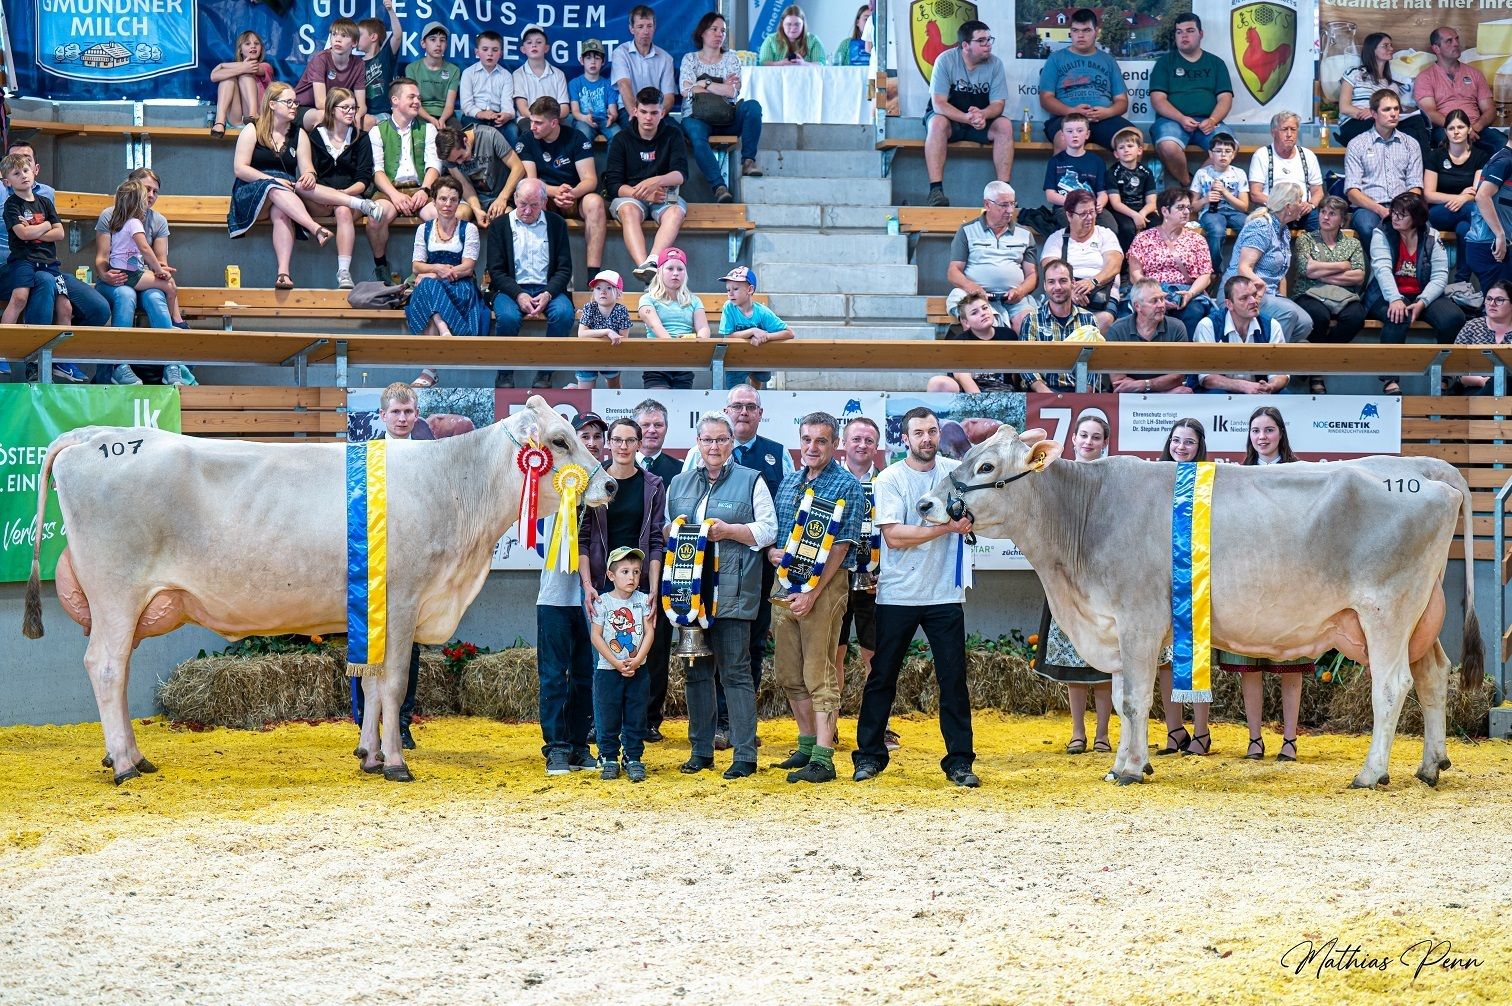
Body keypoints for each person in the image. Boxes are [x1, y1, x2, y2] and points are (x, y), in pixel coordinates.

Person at [852, 407, 979, 788]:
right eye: (919, 432)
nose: (927, 438)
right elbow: (894, 537)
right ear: (904, 439)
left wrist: (968, 522)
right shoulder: (891, 478)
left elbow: (975, 512)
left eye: (933, 431)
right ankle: (870, 756)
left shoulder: (954, 473)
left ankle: (960, 762)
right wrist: (948, 529)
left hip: (945, 594)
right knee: (882, 678)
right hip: (898, 595)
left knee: (953, 680)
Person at [665, 412, 778, 779]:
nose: (714, 446)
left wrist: (731, 531)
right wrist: (673, 530)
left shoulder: (752, 481)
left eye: (721, 440)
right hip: (688, 596)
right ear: (697, 444)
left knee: (736, 674)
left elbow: (768, 530)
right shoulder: (678, 483)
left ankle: (744, 754)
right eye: (707, 440)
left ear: (732, 444)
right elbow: (665, 529)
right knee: (695, 673)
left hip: (732, 593)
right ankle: (700, 751)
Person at [682, 385, 794, 747]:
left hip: (752, 570)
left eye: (750, 406)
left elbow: (784, 512)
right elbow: (677, 514)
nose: (743, 411)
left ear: (759, 414)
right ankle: (711, 730)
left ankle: (738, 726)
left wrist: (740, 534)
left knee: (749, 648)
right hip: (695, 579)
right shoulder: (689, 465)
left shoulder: (776, 457)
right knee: (701, 657)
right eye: (737, 406)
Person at [768, 412, 865, 784]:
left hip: (825, 588)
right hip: (784, 585)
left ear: (834, 444)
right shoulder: (789, 482)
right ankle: (807, 745)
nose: (812, 447)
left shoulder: (846, 485)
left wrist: (813, 591)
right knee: (789, 673)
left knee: (819, 671)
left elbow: (840, 548)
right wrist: (772, 554)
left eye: (821, 441)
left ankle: (824, 757)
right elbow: (778, 537)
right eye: (807, 439)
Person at [1224, 406, 1310, 763]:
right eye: (1256, 430)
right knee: (1249, 664)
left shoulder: (1299, 473)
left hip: (1288, 577)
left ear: (1280, 433)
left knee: (1291, 662)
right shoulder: (1236, 475)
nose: (1262, 436)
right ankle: (1255, 739)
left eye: (1269, 430)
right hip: (1247, 580)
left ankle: (1290, 740)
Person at [349, 381, 428, 750]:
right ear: (382, 416)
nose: (402, 418)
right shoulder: (365, 455)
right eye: (395, 412)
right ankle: (365, 722)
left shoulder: (428, 459)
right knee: (364, 639)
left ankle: (401, 722)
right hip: (369, 559)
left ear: (416, 414)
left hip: (408, 567)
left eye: (408, 411)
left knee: (405, 648)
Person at [1033, 413, 1114, 755]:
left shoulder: (1111, 479)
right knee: (1074, 659)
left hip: (1104, 580)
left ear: (1105, 443)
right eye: (1084, 435)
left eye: (1096, 437)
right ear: (1074, 438)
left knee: (1107, 660)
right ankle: (1078, 731)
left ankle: (1104, 733)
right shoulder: (1056, 472)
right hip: (1066, 577)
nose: (1089, 442)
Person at [536, 413, 606, 776]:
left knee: (584, 673)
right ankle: (556, 748)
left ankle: (580, 745)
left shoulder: (602, 485)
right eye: (585, 436)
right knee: (553, 674)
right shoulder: (551, 479)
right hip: (554, 595)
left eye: (597, 436)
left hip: (591, 595)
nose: (592, 442)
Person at [227, 83, 334, 292]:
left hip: (286, 194)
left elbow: (307, 168)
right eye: (289, 102)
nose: (294, 106)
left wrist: (310, 176)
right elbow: (240, 169)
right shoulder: (253, 129)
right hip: (251, 189)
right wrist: (271, 180)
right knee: (274, 188)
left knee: (281, 212)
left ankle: (283, 273)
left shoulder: (299, 133)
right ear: (273, 104)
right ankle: (315, 228)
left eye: (296, 102)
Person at [832, 416, 894, 749]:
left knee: (875, 657)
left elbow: (893, 532)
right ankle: (831, 724)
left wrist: (887, 574)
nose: (862, 445)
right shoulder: (831, 481)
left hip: (875, 583)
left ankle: (877, 726)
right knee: (834, 655)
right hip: (835, 580)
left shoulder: (887, 481)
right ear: (844, 443)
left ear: (876, 446)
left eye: (869, 441)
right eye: (856, 439)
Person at [1366, 190, 1465, 395]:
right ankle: (1390, 380)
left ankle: (1445, 376)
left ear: (1417, 218)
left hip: (1422, 293)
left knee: (1453, 318)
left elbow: (1440, 276)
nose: (1395, 217)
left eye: (1402, 214)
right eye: (1393, 212)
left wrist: (1422, 302)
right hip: (1386, 294)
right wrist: (1395, 299)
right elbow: (1382, 269)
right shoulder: (1381, 232)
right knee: (1397, 316)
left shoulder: (1431, 236)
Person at [1154, 417, 1212, 756]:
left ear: (1199, 446)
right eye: (1177, 440)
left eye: (1189, 442)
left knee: (1196, 652)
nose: (1181, 447)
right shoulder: (1155, 479)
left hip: (1197, 576)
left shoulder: (1208, 480)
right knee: (1165, 661)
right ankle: (1175, 731)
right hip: (1160, 579)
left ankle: (1202, 733)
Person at [92, 167, 178, 385]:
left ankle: (171, 363)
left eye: (155, 191)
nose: (151, 195)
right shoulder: (110, 216)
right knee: (125, 294)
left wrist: (160, 272)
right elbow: (102, 258)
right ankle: (119, 364)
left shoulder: (158, 221)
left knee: (155, 297)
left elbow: (161, 263)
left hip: (142, 275)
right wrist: (105, 275)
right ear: (134, 188)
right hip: (116, 279)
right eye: (147, 189)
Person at [486, 177, 574, 390]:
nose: (527, 210)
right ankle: (504, 375)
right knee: (507, 317)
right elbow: (496, 271)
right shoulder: (499, 226)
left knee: (563, 314)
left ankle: (545, 373)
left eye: (534, 205)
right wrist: (518, 294)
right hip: (511, 288)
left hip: (548, 288)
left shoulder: (556, 224)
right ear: (515, 198)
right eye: (523, 203)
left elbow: (564, 268)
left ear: (544, 203)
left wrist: (548, 294)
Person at [404, 176, 490, 388]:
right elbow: (416, 266)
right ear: (434, 201)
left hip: (459, 287)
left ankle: (429, 371)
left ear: (459, 202)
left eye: (453, 200)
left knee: (427, 285)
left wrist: (438, 272)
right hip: (433, 286)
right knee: (427, 286)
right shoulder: (424, 230)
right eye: (443, 199)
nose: (447, 204)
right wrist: (435, 270)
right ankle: (443, 330)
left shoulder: (468, 229)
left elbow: (468, 267)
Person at [299, 87, 386, 289]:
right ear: (331, 110)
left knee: (343, 209)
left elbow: (364, 179)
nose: (350, 112)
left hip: (350, 195)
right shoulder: (314, 137)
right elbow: (309, 174)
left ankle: (344, 272)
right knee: (300, 187)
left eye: (353, 108)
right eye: (345, 107)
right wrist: (327, 194)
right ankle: (361, 204)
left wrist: (343, 195)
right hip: (319, 198)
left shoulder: (361, 137)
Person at [632, 399, 682, 742]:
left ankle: (651, 718)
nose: (652, 430)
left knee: (658, 645)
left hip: (664, 572)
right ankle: (613, 715)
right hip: (619, 572)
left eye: (658, 425)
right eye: (645, 425)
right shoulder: (613, 468)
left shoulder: (680, 471)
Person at [581, 417, 666, 618]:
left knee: (639, 650)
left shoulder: (653, 486)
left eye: (630, 440)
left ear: (639, 444)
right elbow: (582, 540)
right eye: (617, 440)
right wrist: (586, 586)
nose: (623, 446)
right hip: (600, 585)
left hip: (640, 585)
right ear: (609, 443)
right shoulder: (592, 483)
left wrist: (653, 589)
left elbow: (656, 542)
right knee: (602, 649)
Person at [514, 96, 608, 276]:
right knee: (531, 199)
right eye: (531, 121)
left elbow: (590, 180)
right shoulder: (526, 140)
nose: (532, 126)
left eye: (538, 123)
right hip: (544, 198)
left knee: (595, 202)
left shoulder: (576, 137)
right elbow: (531, 181)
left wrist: (570, 193)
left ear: (554, 122)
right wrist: (554, 191)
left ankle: (593, 275)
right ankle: (541, 275)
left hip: (574, 195)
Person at [924, 19, 1012, 207]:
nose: (988, 44)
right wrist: (967, 117)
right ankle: (935, 191)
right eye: (981, 41)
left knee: (1004, 125)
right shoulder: (945, 60)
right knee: (936, 123)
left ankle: (1004, 195)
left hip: (980, 120)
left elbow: (998, 104)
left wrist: (983, 115)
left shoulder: (996, 64)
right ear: (965, 45)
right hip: (951, 121)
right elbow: (939, 104)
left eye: (989, 39)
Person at [605, 87, 688, 284]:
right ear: (635, 111)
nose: (648, 118)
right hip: (631, 195)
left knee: (676, 211)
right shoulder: (621, 139)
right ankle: (647, 271)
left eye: (653, 113)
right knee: (627, 211)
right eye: (643, 112)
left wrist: (656, 181)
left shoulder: (673, 135)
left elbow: (681, 174)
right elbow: (613, 184)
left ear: (663, 113)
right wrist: (641, 193)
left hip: (664, 193)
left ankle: (652, 262)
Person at [681, 12, 764, 202]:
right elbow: (686, 90)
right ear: (702, 32)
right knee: (695, 135)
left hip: (727, 115)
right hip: (697, 117)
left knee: (753, 107)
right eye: (714, 29)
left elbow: (732, 92)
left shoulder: (731, 58)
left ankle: (749, 161)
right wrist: (721, 86)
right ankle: (719, 187)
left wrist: (704, 84)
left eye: (723, 31)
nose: (720, 34)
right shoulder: (690, 59)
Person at [589, 547, 655, 782]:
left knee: (636, 714)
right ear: (611, 575)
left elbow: (649, 633)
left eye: (636, 572)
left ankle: (633, 756)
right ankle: (608, 757)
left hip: (638, 669)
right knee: (608, 714)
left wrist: (637, 660)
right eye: (625, 571)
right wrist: (615, 662)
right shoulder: (602, 603)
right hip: (608, 671)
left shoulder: (643, 601)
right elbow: (595, 636)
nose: (631, 577)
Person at [366, 77, 442, 282]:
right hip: (389, 190)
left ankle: (425, 268)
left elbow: (434, 165)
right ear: (395, 101)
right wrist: (395, 196)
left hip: (420, 188)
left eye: (418, 97)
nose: (417, 101)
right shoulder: (377, 131)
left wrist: (425, 190)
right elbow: (377, 171)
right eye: (412, 97)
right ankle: (381, 267)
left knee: (440, 214)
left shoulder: (428, 129)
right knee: (375, 216)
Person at [1292, 195, 1369, 394]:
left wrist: (1321, 273)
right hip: (1308, 294)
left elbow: (1359, 276)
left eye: (1332, 214)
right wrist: (1343, 266)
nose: (1325, 217)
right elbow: (1305, 270)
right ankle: (1317, 374)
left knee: (1357, 317)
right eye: (1323, 212)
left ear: (1342, 220)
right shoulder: (1305, 239)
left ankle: (1315, 361)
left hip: (1343, 296)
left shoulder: (1352, 244)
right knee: (1319, 316)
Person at [1148, 12, 1233, 187]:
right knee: (1168, 146)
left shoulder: (1216, 63)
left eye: (1189, 31)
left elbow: (1225, 98)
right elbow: (1158, 100)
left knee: (1228, 147)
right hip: (1172, 121)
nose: (1183, 36)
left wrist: (1213, 120)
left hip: (1208, 121)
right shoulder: (1165, 62)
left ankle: (1197, 186)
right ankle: (1189, 183)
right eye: (1179, 32)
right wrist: (1181, 118)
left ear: (1201, 34)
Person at [1222, 181, 1314, 341]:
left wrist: (1283, 299)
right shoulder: (1261, 226)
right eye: (1299, 200)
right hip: (1244, 291)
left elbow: (1280, 273)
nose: (1303, 205)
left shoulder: (1284, 231)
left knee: (1305, 323)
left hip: (1270, 293)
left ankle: (1269, 351)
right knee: (1288, 314)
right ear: (1288, 206)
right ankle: (1267, 361)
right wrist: (1260, 284)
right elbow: (1244, 268)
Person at [946, 181, 1037, 334]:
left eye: (1013, 204)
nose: (1010, 210)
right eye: (1004, 205)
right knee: (977, 318)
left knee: (1027, 324)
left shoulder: (1025, 234)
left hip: (1014, 298)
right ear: (987, 204)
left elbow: (1033, 275)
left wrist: (1021, 291)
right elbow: (953, 271)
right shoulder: (967, 231)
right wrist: (973, 288)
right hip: (976, 297)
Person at [1038, 8, 1133, 153]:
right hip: (1066, 118)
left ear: (1097, 31)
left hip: (1103, 119)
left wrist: (1108, 112)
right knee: (1065, 142)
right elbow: (1046, 99)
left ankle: (1123, 176)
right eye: (1075, 30)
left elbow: (1122, 101)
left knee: (1131, 141)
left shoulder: (1108, 60)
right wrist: (1072, 111)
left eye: (1086, 30)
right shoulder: (1056, 58)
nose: (1080, 36)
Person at [100, 180, 186, 335]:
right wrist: (159, 270)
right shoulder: (134, 223)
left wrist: (157, 269)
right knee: (170, 285)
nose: (150, 197)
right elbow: (145, 248)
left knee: (162, 287)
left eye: (155, 191)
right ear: (139, 203)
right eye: (146, 193)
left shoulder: (119, 222)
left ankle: (168, 325)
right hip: (130, 273)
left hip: (123, 270)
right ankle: (173, 322)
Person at [1344, 89, 1425, 250]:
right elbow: (1352, 192)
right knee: (1368, 226)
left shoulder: (1411, 144)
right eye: (1387, 110)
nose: (1393, 114)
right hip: (1369, 208)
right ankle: (1386, 270)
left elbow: (1415, 186)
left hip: (1404, 206)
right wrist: (1380, 210)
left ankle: (1398, 272)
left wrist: (1402, 209)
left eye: (1396, 109)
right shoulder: (1357, 144)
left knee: (1424, 226)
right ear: (1373, 113)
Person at [1126, 187, 1214, 334]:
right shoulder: (1144, 238)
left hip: (1185, 294)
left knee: (1194, 311)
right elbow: (1135, 275)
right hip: (1152, 292)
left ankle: (1185, 355)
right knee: (1146, 311)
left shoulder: (1197, 240)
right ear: (1165, 211)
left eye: (1188, 207)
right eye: (1180, 207)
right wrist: (1156, 296)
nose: (1186, 212)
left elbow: (1205, 275)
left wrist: (1190, 294)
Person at [1424, 109, 1487, 298]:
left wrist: (1465, 198)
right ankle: (1484, 274)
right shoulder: (1435, 156)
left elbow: (1477, 192)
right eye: (1451, 128)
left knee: (1464, 228)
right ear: (1445, 132)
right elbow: (1428, 195)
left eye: (1461, 127)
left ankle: (1461, 284)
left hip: (1465, 213)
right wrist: (1459, 197)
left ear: (1469, 129)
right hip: (1438, 213)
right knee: (1473, 211)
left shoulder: (1480, 156)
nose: (1456, 131)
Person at [1039, 190, 1122, 332]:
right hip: (1066, 292)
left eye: (1092, 212)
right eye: (1083, 214)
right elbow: (1050, 269)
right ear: (1069, 215)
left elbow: (1114, 265)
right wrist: (1071, 290)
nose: (1089, 217)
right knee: (1051, 320)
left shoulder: (1105, 234)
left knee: (1103, 320)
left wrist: (1092, 282)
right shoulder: (1056, 239)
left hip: (1101, 293)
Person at [1337, 33, 1432, 156]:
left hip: (1383, 123)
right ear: (1373, 50)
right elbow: (1344, 107)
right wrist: (1372, 113)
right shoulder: (1354, 73)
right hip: (1356, 123)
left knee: (1416, 123)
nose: (1391, 49)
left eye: (1391, 45)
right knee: (1385, 127)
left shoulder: (1391, 85)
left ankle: (1427, 169)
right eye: (1386, 46)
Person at [1192, 276, 1290, 393]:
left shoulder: (1272, 325)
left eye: (1254, 295)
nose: (1253, 301)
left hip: (1259, 391)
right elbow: (1207, 378)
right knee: (1215, 393)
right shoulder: (1209, 325)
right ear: (1229, 304)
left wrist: (1271, 386)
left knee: (1284, 393)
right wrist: (1244, 386)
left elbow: (1280, 373)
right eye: (1244, 298)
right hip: (1221, 393)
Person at [1415, 26, 1504, 152]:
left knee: (1506, 147)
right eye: (1449, 41)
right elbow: (1429, 113)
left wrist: (1475, 127)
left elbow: (1490, 109)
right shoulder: (1425, 77)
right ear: (1436, 48)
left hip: (1476, 129)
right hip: (1446, 129)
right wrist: (1460, 128)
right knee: (1453, 149)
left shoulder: (1474, 73)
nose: (1456, 44)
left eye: (1457, 39)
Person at [1, 152, 65, 327]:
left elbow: (60, 233)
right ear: (7, 182)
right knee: (19, 298)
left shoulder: (45, 202)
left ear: (33, 171)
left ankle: (55, 352)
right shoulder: (12, 205)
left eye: (25, 170)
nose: (23, 175)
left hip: (49, 260)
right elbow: (23, 234)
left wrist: (33, 229)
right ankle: (4, 343)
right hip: (24, 260)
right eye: (16, 173)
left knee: (65, 307)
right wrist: (46, 225)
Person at [1022, 258, 1102, 393]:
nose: (1057, 287)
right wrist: (1048, 395)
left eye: (1063, 281)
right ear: (1045, 286)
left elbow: (1096, 363)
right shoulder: (1032, 320)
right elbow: (1026, 363)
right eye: (1051, 282)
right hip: (1043, 393)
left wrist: (1082, 395)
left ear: (1073, 283)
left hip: (1080, 393)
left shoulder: (1088, 319)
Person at [1104, 279, 1193, 394]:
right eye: (1154, 301)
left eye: (1162, 299)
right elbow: (1118, 382)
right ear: (1137, 306)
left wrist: (1144, 385)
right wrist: (1155, 388)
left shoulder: (1177, 327)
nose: (1161, 305)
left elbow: (1177, 377)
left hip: (1163, 393)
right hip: (1132, 395)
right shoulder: (1117, 329)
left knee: (1183, 392)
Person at [638, 247, 708, 389]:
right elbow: (655, 326)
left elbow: (703, 328)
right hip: (657, 362)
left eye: (680, 269)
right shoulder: (647, 299)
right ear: (659, 271)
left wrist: (699, 340)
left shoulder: (694, 300)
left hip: (684, 362)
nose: (675, 273)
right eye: (670, 268)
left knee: (682, 408)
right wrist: (674, 346)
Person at [928, 291, 1019, 393]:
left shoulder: (1008, 335)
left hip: (1004, 391)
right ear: (966, 322)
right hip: (971, 394)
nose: (983, 313)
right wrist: (979, 401)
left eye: (985, 308)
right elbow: (960, 377)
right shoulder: (959, 342)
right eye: (974, 312)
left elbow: (1016, 375)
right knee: (937, 382)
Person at [1247, 110, 1324, 229]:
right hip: (1273, 209)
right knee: (1262, 223)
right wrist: (1282, 206)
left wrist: (1310, 205)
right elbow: (1255, 194)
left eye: (1293, 129)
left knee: (1321, 222)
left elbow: (1318, 191)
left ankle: (1319, 248)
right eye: (1284, 129)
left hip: (1303, 211)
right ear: (1274, 133)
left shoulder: (1308, 155)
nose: (1289, 134)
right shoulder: (1262, 155)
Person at [435, 123, 524, 226]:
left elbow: (518, 168)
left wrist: (502, 198)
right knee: (458, 215)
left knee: (505, 218)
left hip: (500, 194)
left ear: (465, 140)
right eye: (455, 161)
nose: (459, 163)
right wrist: (476, 209)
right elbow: (464, 185)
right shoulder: (450, 155)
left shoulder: (489, 135)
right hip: (473, 197)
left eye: (460, 157)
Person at [718, 265, 791, 389]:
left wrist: (766, 336)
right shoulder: (728, 307)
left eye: (735, 288)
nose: (730, 293)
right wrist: (753, 331)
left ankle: (755, 398)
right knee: (734, 390)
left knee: (759, 378)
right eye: (727, 289)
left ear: (750, 290)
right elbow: (728, 335)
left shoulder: (762, 312)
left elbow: (789, 333)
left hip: (758, 356)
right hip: (736, 358)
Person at [294, 19, 367, 131]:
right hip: (303, 108)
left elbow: (361, 106)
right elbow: (320, 103)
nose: (337, 39)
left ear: (354, 43)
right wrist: (345, 114)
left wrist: (355, 116)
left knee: (368, 121)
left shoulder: (359, 64)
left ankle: (347, 148)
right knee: (322, 117)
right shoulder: (320, 59)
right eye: (334, 34)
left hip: (336, 110)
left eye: (344, 36)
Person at [1192, 133, 1250, 271]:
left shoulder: (1239, 173)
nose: (1223, 155)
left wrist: (1225, 192)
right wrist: (1206, 199)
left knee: (1249, 227)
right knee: (1217, 231)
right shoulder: (1202, 173)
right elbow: (1192, 206)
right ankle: (1214, 270)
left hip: (1234, 212)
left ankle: (1245, 267)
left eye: (1228, 151)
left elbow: (1244, 206)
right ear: (1211, 154)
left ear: (1233, 154)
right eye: (1218, 151)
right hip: (1211, 212)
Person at [1042, 113, 1109, 230]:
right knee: (1076, 226)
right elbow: (1050, 195)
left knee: (1111, 227)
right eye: (1069, 131)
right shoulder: (1055, 161)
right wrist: (1075, 205)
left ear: (1087, 134)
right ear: (1062, 135)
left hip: (1091, 208)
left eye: (1079, 131)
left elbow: (1102, 193)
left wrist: (1100, 203)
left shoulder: (1097, 161)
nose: (1075, 135)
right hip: (1065, 208)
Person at [1466, 130, 1512, 294]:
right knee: (1497, 308)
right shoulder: (1504, 161)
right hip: (1490, 246)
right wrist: (1500, 235)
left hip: (1496, 245)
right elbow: (1482, 196)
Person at [611, 5, 677, 115]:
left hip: (656, 112)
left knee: (676, 132)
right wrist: (636, 115)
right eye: (640, 27)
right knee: (635, 131)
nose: (646, 31)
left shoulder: (666, 58)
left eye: (649, 26)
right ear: (631, 29)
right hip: (628, 110)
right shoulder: (620, 53)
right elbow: (624, 86)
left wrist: (657, 115)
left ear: (654, 28)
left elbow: (669, 96)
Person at [572, 269, 632, 389]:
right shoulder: (589, 307)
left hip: (611, 353)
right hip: (587, 354)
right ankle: (573, 389)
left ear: (619, 293)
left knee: (614, 391)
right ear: (594, 292)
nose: (603, 292)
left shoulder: (621, 310)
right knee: (584, 395)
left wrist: (595, 334)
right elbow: (582, 334)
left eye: (609, 288)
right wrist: (607, 331)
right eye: (598, 288)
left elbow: (623, 339)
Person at [209, 30, 274, 138]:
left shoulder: (266, 66)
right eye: (248, 44)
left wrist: (222, 66)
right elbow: (213, 77)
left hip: (260, 115)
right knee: (227, 79)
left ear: (261, 48)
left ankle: (253, 116)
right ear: (240, 50)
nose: (253, 46)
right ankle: (219, 122)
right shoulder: (237, 67)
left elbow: (253, 68)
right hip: (237, 119)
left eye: (256, 44)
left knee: (245, 76)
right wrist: (240, 67)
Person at [1454, 280, 1512, 393]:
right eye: (1489, 299)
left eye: (1499, 300)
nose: (1492, 303)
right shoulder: (1472, 326)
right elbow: (1455, 368)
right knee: (1493, 386)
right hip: (1475, 388)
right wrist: (1480, 381)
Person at [1107, 127, 1156, 250]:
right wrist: (1135, 215)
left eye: (1129, 146)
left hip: (1142, 209)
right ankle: (1126, 264)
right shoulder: (1112, 173)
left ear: (1139, 150)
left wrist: (1142, 213)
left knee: (1157, 225)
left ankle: (1152, 263)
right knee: (1127, 228)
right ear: (1116, 154)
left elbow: (1152, 202)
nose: (1126, 150)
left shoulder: (1146, 172)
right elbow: (1116, 203)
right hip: (1122, 211)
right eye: (1121, 147)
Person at [405, 22, 461, 129]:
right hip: (419, 113)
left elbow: (450, 105)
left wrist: (442, 120)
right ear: (423, 43)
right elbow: (413, 101)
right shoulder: (411, 68)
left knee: (456, 135)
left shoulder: (454, 70)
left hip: (445, 116)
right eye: (433, 39)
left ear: (446, 45)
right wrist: (431, 120)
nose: (438, 44)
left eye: (442, 40)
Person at [356, 1, 402, 131]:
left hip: (384, 113)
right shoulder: (356, 62)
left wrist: (390, 10)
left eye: (359, 35)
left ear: (373, 37)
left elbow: (397, 36)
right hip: (363, 112)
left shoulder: (385, 56)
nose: (356, 39)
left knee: (368, 122)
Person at [460, 30, 515, 136]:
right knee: (479, 131)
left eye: (495, 50)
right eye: (485, 49)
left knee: (512, 130)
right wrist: (481, 114)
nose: (490, 54)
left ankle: (512, 153)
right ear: (477, 52)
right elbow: (466, 105)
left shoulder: (506, 75)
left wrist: (506, 115)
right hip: (474, 116)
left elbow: (507, 103)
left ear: (501, 53)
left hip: (497, 117)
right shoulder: (468, 73)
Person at [512, 25, 570, 124]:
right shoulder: (518, 74)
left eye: (539, 42)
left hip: (553, 120)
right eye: (529, 42)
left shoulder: (558, 74)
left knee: (568, 132)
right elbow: (522, 108)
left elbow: (564, 107)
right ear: (523, 49)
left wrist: (549, 119)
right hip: (528, 119)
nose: (534, 45)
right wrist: (539, 120)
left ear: (546, 48)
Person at [569, 38, 620, 142]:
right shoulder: (575, 83)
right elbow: (575, 112)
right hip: (582, 120)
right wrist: (585, 118)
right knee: (583, 134)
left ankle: (614, 159)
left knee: (617, 135)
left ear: (603, 61)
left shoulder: (608, 84)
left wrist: (612, 117)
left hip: (604, 120)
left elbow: (613, 110)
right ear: (581, 60)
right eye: (588, 58)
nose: (593, 62)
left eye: (597, 58)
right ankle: (585, 159)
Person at [759, 5, 827, 65]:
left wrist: (804, 64)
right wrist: (780, 64)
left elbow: (821, 64)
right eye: (789, 24)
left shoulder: (813, 41)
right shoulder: (770, 40)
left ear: (803, 24)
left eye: (797, 24)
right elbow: (763, 63)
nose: (793, 28)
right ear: (782, 24)